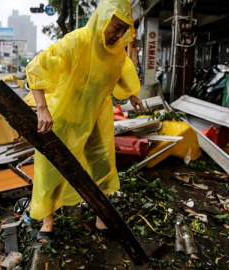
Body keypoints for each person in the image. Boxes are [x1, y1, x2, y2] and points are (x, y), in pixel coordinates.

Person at [25, 0, 144, 243]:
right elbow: (37, 68)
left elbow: (123, 72)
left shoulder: (117, 52)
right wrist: (42, 109)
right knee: (52, 168)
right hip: (65, 114)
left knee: (101, 164)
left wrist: (132, 94)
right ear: (103, 18)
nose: (119, 34)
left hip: (96, 115)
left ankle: (101, 215)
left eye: (124, 29)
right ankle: (48, 220)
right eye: (116, 26)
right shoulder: (77, 41)